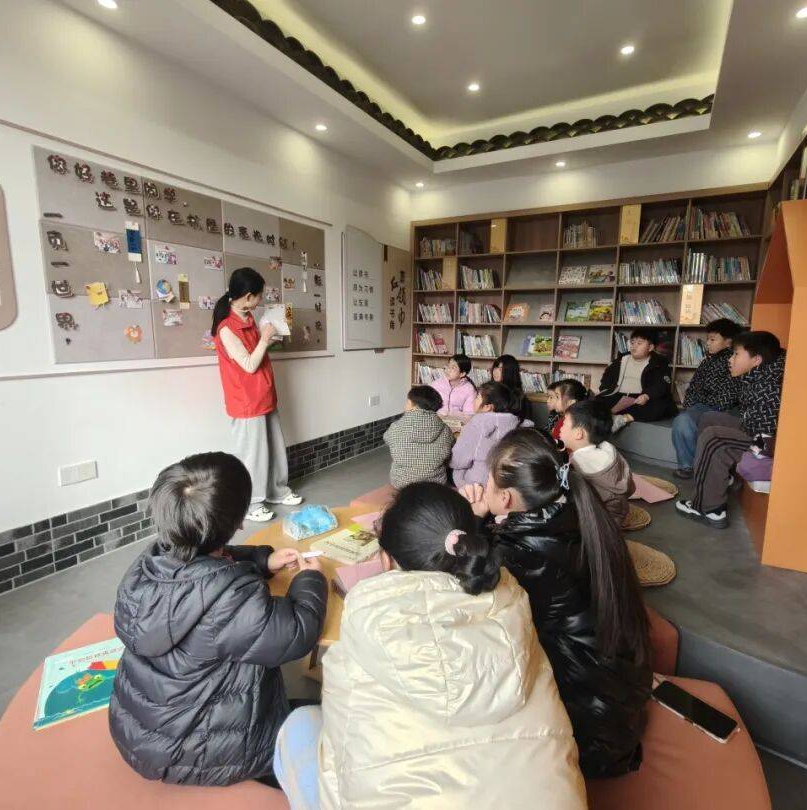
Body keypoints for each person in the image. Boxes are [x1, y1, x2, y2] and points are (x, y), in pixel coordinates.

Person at [273, 482, 587, 810]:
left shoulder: (368, 616)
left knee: (301, 725)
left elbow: (341, 732)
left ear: (386, 560)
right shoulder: (512, 602)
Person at [109, 452, 327, 786]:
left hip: (140, 728)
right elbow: (297, 633)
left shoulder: (151, 561)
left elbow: (208, 568)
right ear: (238, 523)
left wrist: (263, 561)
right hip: (196, 749)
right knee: (328, 722)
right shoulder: (232, 598)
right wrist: (310, 580)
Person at [459, 429, 652, 779]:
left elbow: (472, 592)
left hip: (589, 732)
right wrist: (487, 520)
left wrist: (473, 520)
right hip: (617, 695)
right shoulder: (577, 512)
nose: (483, 486)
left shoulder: (519, 555)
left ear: (505, 498)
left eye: (488, 481)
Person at [212, 267, 303, 523]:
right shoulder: (227, 328)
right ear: (248, 296)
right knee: (253, 454)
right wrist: (264, 340)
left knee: (274, 448)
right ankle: (252, 503)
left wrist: (268, 340)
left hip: (264, 395)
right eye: (259, 295)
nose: (261, 299)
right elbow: (249, 365)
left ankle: (277, 491)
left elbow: (257, 355)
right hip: (246, 401)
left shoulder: (248, 318)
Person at [676, 331, 786, 529]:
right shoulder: (759, 373)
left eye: (736, 354)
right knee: (709, 418)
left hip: (765, 443)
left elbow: (766, 439)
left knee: (714, 438)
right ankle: (719, 477)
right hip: (754, 429)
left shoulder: (768, 387)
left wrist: (744, 453)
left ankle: (709, 508)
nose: (730, 359)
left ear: (756, 359)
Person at [671, 319, 744, 478]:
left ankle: (699, 468)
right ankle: (688, 466)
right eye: (707, 339)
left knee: (693, 422)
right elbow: (694, 386)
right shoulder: (707, 361)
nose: (708, 343)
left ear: (728, 342)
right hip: (703, 406)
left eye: (713, 339)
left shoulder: (735, 361)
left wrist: (700, 404)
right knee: (682, 420)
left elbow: (729, 394)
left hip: (726, 408)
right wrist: (691, 405)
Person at [561, 398, 635, 526]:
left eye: (564, 424)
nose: (560, 429)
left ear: (578, 434)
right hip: (619, 512)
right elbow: (630, 486)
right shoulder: (609, 450)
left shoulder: (577, 462)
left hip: (597, 522)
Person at [450, 381, 531, 488]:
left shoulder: (477, 424)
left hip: (477, 485)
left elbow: (458, 461)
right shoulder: (520, 424)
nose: (474, 400)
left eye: (477, 397)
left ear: (488, 407)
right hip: (508, 485)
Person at [597, 328, 675, 432]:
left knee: (660, 404)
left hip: (641, 398)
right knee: (595, 403)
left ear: (650, 347)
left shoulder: (659, 363)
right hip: (619, 396)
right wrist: (605, 390)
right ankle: (613, 416)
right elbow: (606, 378)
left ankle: (623, 418)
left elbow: (662, 385)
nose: (634, 346)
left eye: (639, 343)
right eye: (632, 342)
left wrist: (647, 395)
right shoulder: (621, 360)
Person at [383, 385, 454, 488]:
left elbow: (387, 438)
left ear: (414, 405)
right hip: (435, 483)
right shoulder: (446, 430)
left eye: (407, 401)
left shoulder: (396, 427)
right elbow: (449, 451)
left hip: (402, 482)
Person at [545, 377, 589, 448]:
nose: (554, 400)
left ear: (571, 402)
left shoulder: (567, 422)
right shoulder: (565, 418)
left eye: (557, 397)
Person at [490, 354, 529, 421]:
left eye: (500, 369)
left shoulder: (518, 398)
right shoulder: (489, 392)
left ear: (510, 372)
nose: (495, 372)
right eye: (495, 368)